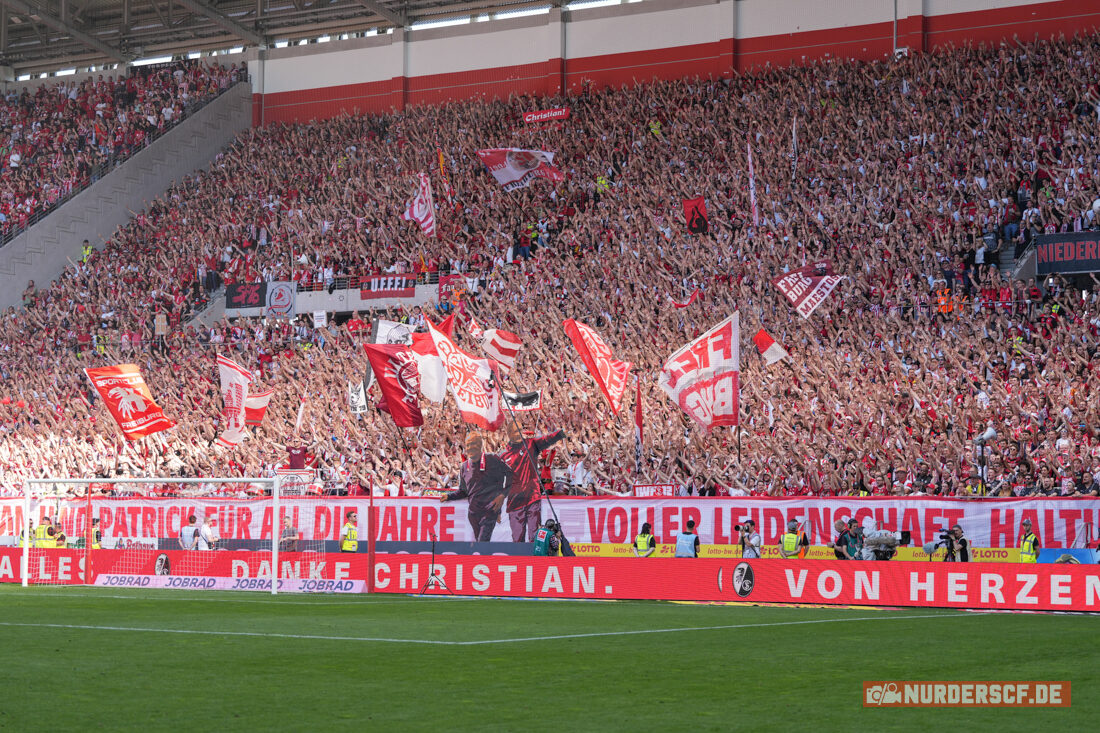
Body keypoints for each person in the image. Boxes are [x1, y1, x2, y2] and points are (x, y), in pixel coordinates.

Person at [440, 433, 513, 541]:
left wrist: (502, 494)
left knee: (482, 542)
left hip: (490, 510)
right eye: (468, 445)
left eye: (473, 444)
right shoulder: (464, 467)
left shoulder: (492, 459)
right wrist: (449, 497)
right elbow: (464, 491)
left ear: (480, 445)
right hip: (473, 514)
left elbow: (510, 475)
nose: (470, 448)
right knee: (481, 545)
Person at [500, 423, 565, 542]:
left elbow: (546, 439)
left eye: (521, 430)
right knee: (517, 539)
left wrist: (560, 434)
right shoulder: (503, 456)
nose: (520, 433)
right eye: (516, 431)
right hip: (514, 502)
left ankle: (534, 560)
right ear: (509, 434)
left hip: (532, 498)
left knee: (534, 537)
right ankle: (519, 560)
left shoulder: (531, 444)